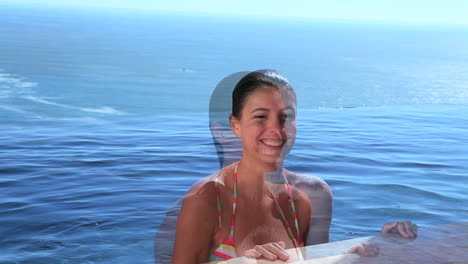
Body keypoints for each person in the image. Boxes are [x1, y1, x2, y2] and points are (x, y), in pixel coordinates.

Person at [158, 70, 417, 263]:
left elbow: (314, 262)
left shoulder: (315, 194)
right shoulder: (208, 199)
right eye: (261, 117)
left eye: (287, 117)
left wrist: (377, 243)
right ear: (235, 125)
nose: (276, 130)